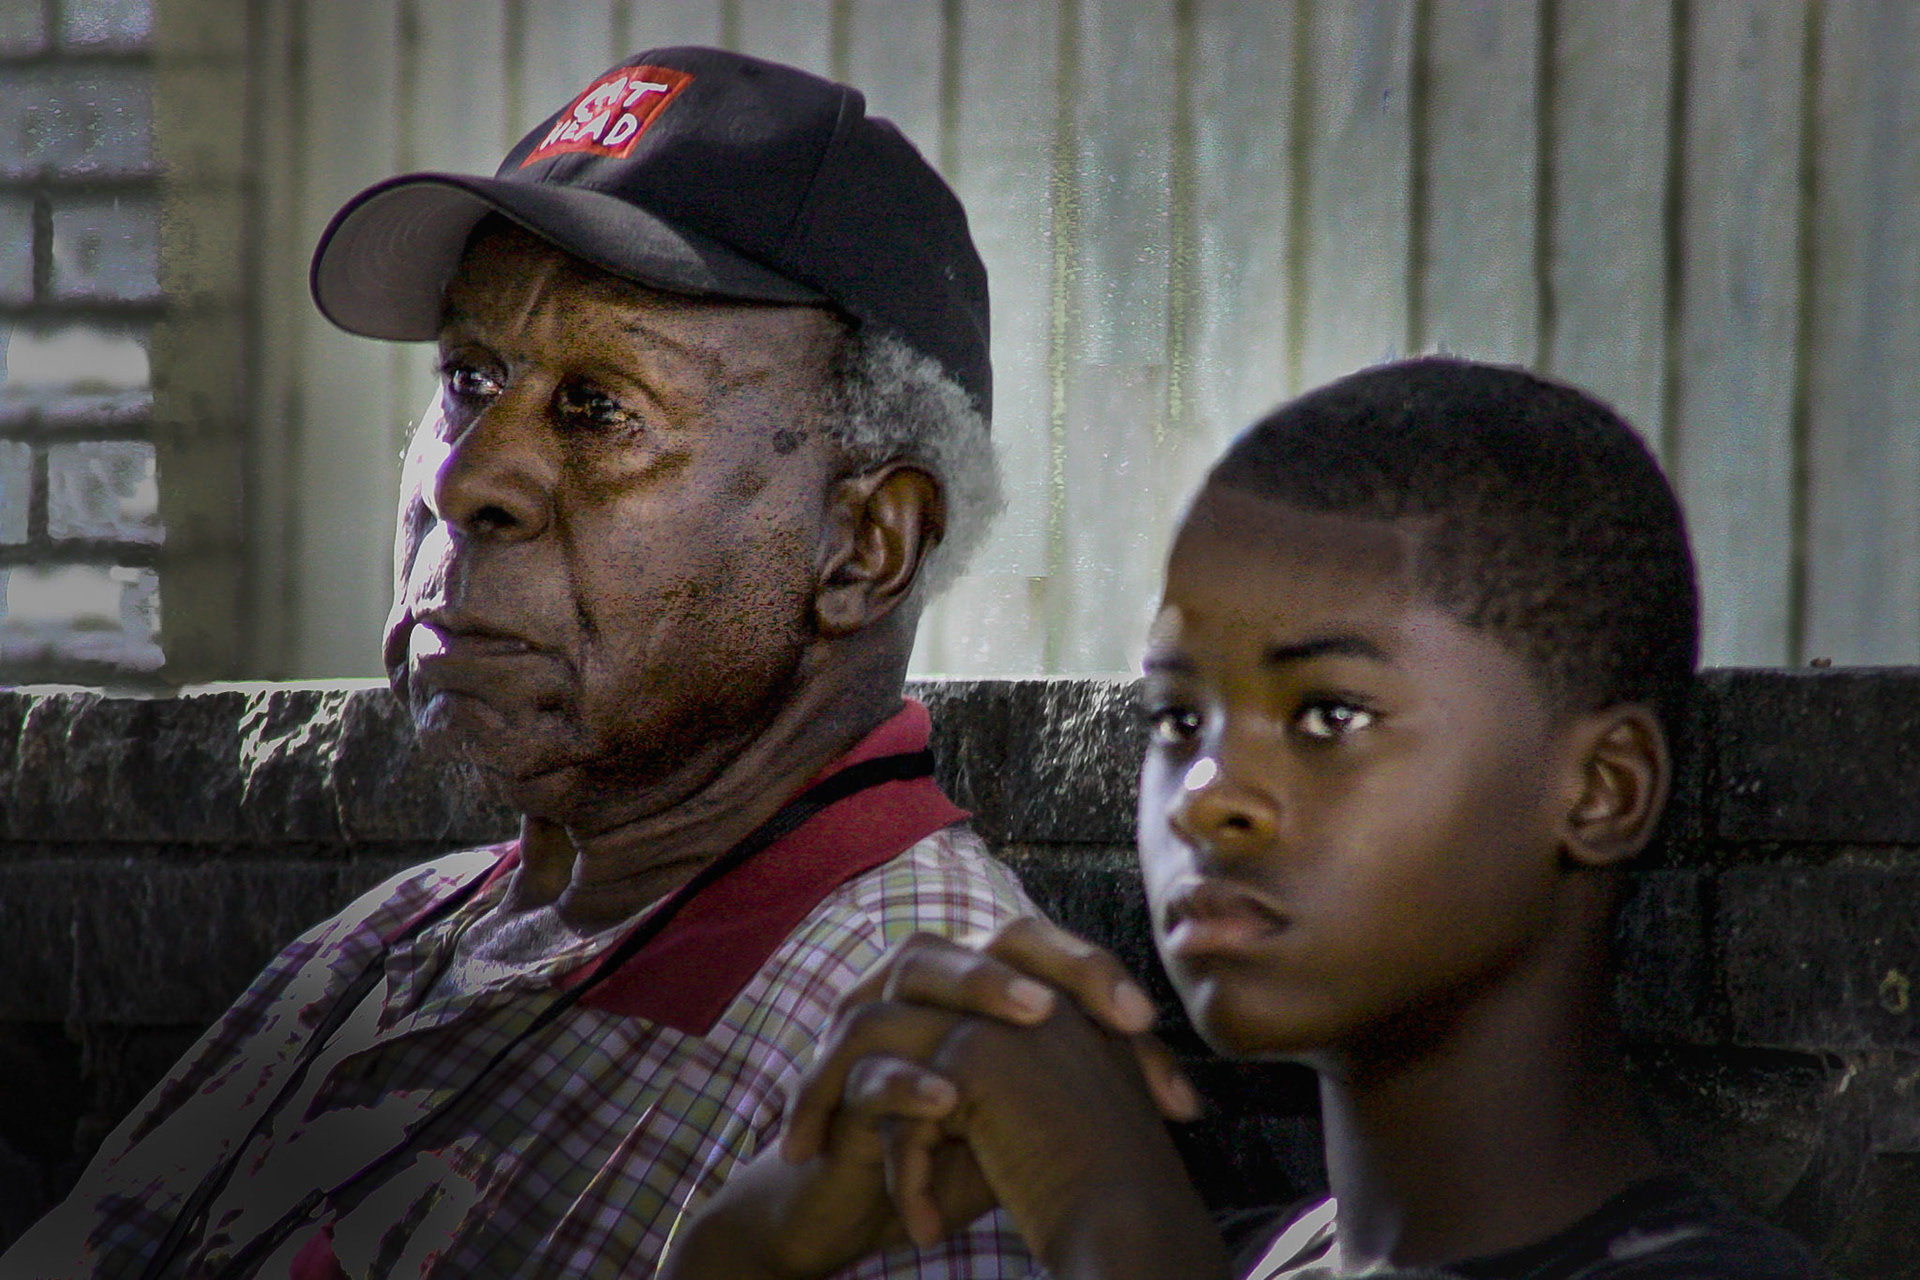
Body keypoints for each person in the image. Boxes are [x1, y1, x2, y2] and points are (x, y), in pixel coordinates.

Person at [4, 47, 1040, 1280]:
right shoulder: (387, 935)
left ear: (865, 545)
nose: (464, 476)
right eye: (468, 378)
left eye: (601, 407)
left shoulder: (921, 1053)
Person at [660, 359, 1835, 1279]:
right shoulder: (1254, 1255)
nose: (1208, 792)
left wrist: (1113, 1217)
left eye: (1328, 713)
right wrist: (759, 1237)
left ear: (1601, 790)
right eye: (1176, 716)